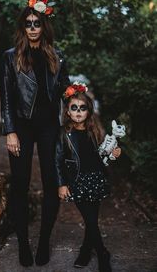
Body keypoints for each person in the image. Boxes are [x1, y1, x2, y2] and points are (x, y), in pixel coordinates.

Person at [0, 0, 70, 267]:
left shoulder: (57, 56)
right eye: (28, 23)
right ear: (23, 27)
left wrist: (76, 98)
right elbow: (6, 96)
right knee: (20, 185)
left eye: (36, 23)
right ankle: (23, 245)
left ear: (43, 26)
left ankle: (43, 243)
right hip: (22, 127)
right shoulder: (10, 57)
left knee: (52, 183)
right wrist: (10, 131)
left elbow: (64, 90)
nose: (32, 28)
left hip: (50, 127)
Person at [55, 83, 121, 272]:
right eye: (73, 108)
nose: (78, 112)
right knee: (90, 219)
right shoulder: (62, 134)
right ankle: (102, 253)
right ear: (67, 111)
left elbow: (103, 155)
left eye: (82, 108)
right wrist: (61, 184)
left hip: (96, 179)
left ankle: (85, 250)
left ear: (88, 111)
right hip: (77, 181)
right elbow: (57, 161)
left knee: (91, 219)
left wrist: (114, 154)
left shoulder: (96, 131)